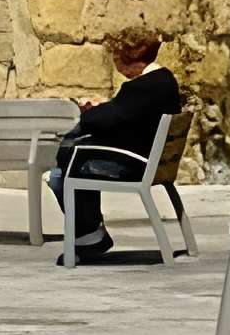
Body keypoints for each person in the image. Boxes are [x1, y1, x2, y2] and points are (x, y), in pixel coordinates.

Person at [47, 26, 181, 262]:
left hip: (133, 164)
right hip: (153, 161)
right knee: (67, 166)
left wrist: (88, 110)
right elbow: (126, 114)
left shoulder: (141, 87)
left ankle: (89, 239)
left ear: (129, 59)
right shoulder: (164, 80)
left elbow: (99, 121)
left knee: (62, 171)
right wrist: (106, 107)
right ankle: (90, 236)